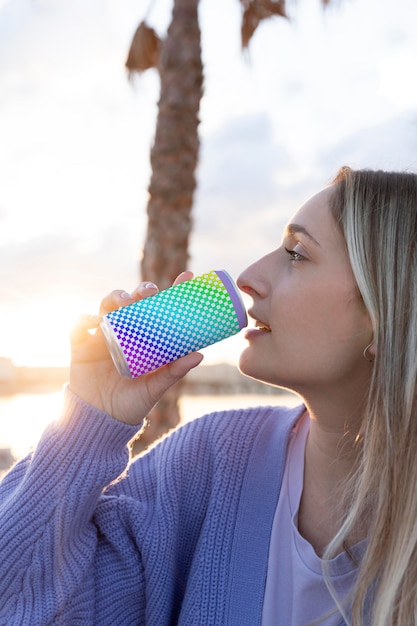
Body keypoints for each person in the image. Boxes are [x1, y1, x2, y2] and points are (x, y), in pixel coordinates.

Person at [1, 166, 417, 625]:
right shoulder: (212, 461)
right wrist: (89, 421)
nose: (249, 276)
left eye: (297, 254)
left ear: (387, 310)